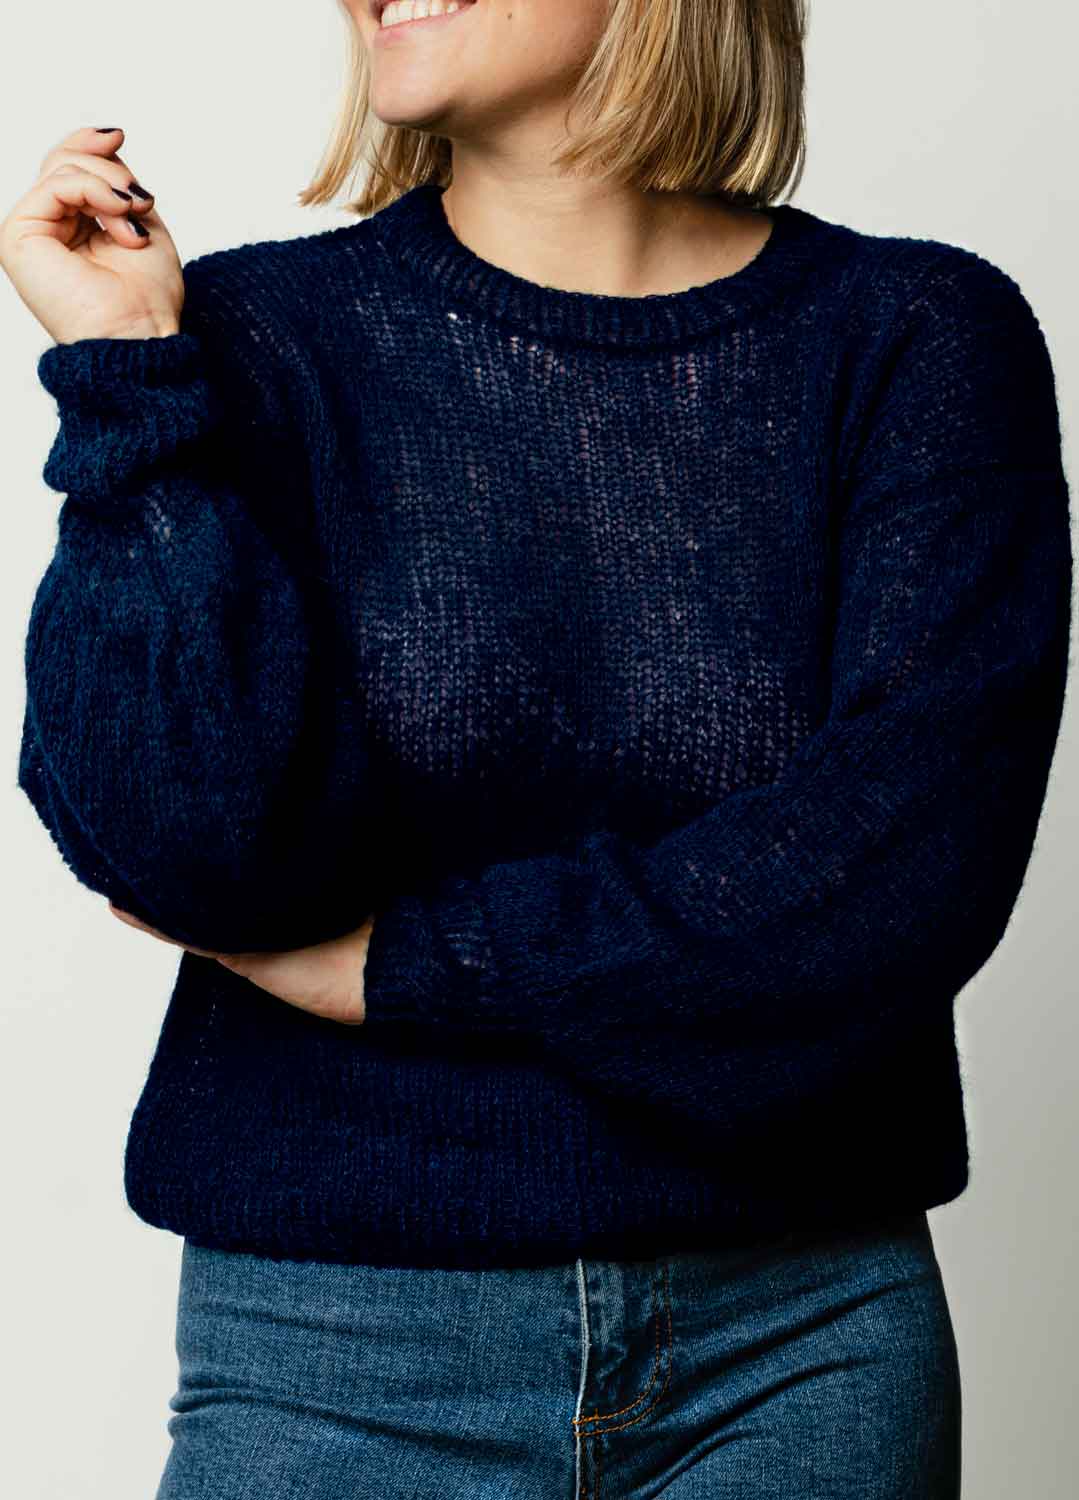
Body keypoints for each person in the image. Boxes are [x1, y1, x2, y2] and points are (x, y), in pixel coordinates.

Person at [1, 1, 1070, 1495]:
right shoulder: (237, 338)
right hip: (334, 1352)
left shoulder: (917, 339)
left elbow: (899, 873)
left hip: (799, 1346)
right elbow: (186, 848)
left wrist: (406, 966)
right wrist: (125, 379)